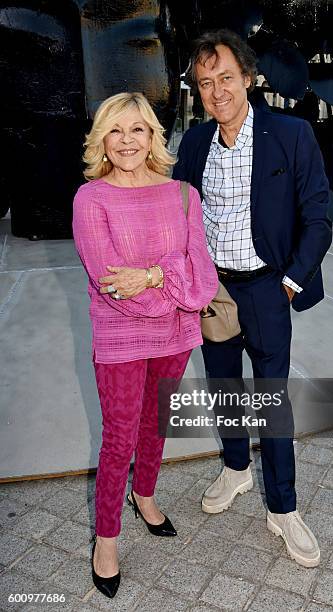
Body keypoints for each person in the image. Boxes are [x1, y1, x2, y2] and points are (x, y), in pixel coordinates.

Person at [173, 29, 332, 568]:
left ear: (248, 77)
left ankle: (283, 508)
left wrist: (290, 281)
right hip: (214, 290)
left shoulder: (291, 134)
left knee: (271, 398)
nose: (217, 91)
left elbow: (317, 216)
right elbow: (182, 217)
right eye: (205, 82)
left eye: (225, 78)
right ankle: (237, 468)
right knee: (224, 385)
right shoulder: (194, 144)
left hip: (268, 284)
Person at [72, 92, 218, 598]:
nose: (127, 141)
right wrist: (173, 289)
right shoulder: (90, 199)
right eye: (116, 130)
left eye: (138, 129)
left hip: (176, 335)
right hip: (119, 337)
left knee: (158, 420)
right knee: (119, 436)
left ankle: (146, 494)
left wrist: (155, 275)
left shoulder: (182, 195)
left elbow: (202, 278)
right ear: (102, 140)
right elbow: (113, 286)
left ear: (154, 135)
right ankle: (106, 537)